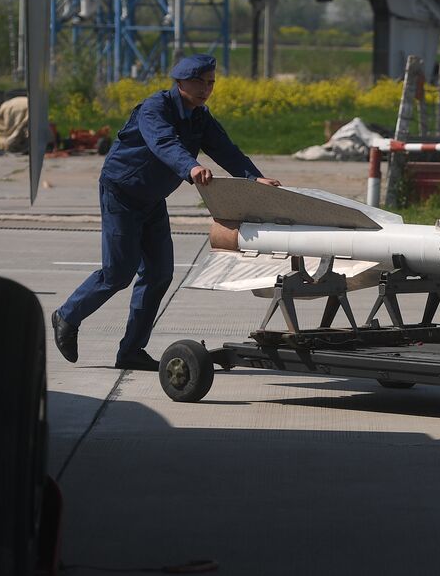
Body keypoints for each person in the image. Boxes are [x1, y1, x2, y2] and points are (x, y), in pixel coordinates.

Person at [52, 55, 280, 369]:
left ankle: (131, 351)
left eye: (211, 82)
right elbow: (163, 142)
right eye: (200, 82)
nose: (206, 89)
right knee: (119, 272)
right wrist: (191, 166)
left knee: (159, 274)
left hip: (152, 199)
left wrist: (254, 177)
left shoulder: (200, 117)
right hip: (122, 192)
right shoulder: (154, 109)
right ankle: (67, 315)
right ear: (181, 82)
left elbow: (225, 149)